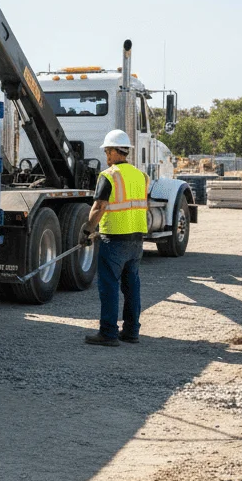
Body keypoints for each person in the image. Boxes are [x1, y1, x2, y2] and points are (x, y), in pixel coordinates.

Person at [82, 129, 149, 347]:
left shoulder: (109, 175)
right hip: (136, 239)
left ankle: (108, 333)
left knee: (109, 286)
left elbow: (99, 207)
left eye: (107, 151)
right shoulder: (140, 176)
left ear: (113, 151)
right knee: (132, 287)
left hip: (114, 240)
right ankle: (131, 332)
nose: (106, 156)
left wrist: (87, 230)